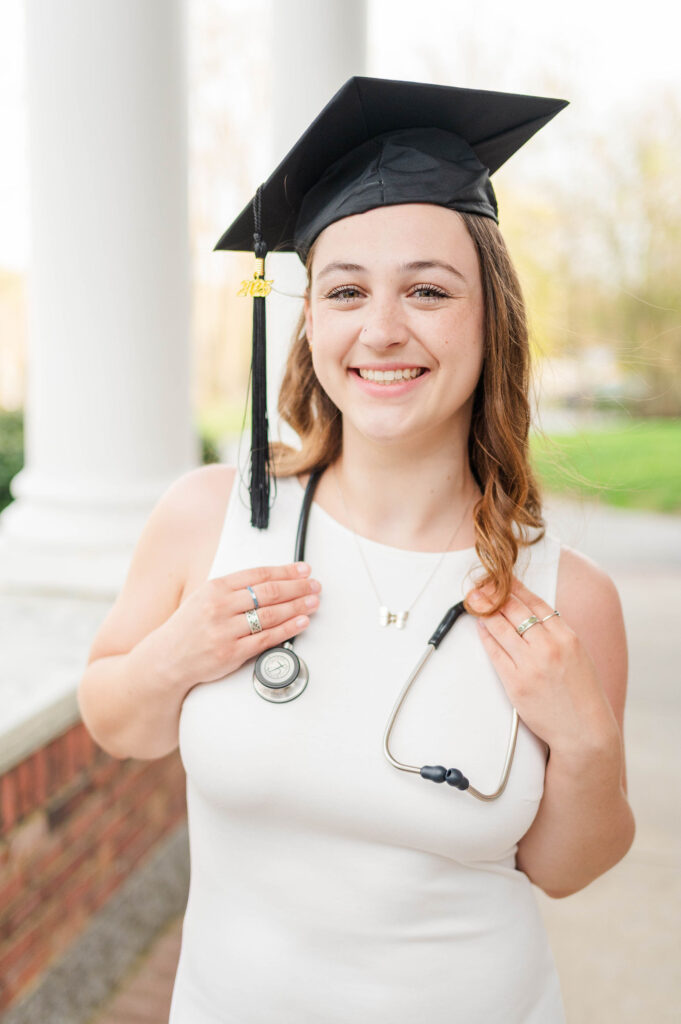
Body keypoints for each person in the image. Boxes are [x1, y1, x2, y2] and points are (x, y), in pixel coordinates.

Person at [78, 77, 635, 1024]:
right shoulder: (211, 518)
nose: (381, 330)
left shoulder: (563, 597)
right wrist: (178, 654)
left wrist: (585, 745)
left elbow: (564, 868)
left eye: (427, 290)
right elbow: (118, 724)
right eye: (345, 291)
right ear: (310, 322)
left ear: (490, 317)